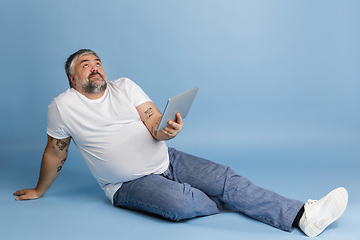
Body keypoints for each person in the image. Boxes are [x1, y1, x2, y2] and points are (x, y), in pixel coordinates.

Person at [13, 49, 348, 237]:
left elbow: (154, 122)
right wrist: (40, 190)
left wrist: (166, 131)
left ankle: (304, 215)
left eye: (98, 62)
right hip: (126, 184)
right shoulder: (62, 107)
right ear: (73, 78)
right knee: (183, 206)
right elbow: (55, 152)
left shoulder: (125, 86)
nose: (95, 68)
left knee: (227, 178)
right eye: (86, 65)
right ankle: (227, 197)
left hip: (167, 160)